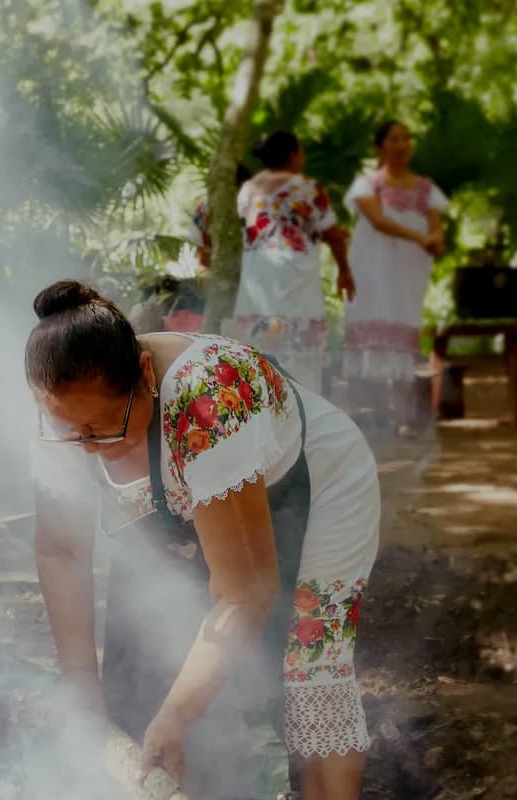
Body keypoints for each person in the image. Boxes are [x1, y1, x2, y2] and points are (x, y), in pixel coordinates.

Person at [28, 280, 379, 799]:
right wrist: (82, 686)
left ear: (145, 376)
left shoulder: (207, 401)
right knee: (145, 661)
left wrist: (176, 715)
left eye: (102, 430)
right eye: (70, 432)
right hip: (197, 502)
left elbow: (247, 592)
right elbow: (62, 549)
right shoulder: (67, 410)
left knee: (310, 667)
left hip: (319, 487)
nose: (85, 449)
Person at [342, 120, 448, 435]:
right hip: (371, 269)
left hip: (407, 273)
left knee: (402, 333)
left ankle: (403, 416)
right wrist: (420, 238)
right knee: (369, 332)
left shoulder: (426, 188)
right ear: (379, 148)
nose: (402, 144)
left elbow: (436, 227)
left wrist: (436, 239)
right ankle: (368, 414)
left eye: (406, 138)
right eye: (394, 139)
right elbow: (377, 220)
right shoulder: (367, 183)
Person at [228, 131, 355, 392]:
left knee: (259, 373)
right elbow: (332, 234)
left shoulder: (247, 191)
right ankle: (303, 428)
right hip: (298, 298)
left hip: (256, 298)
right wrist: (344, 271)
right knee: (302, 377)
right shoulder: (307, 188)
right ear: (292, 156)